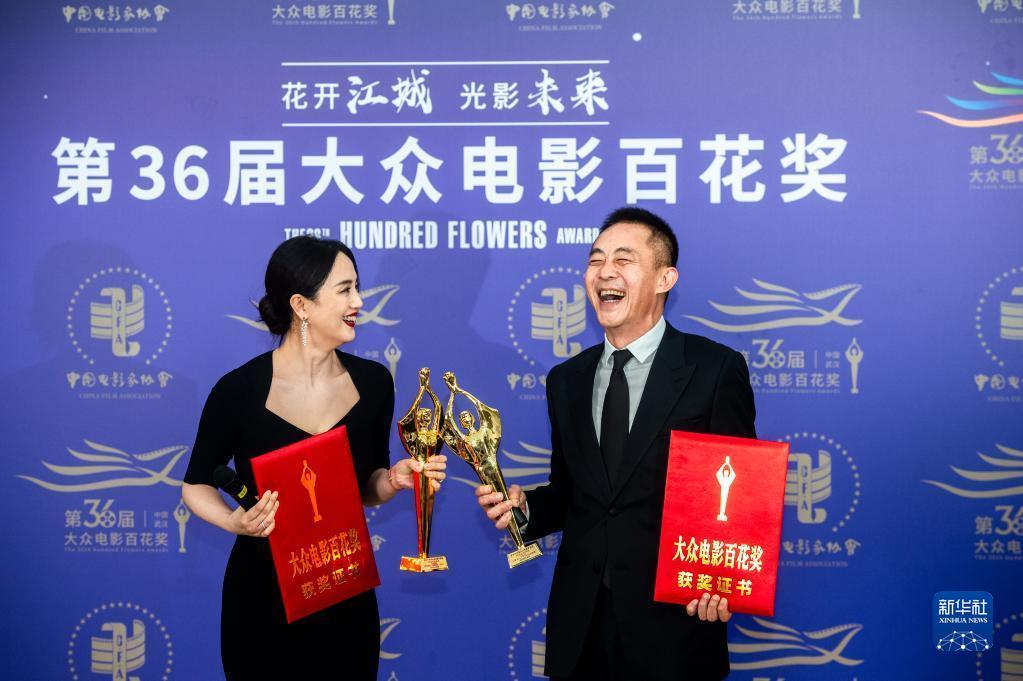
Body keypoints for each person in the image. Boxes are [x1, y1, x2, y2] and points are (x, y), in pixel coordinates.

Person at [476, 208, 756, 681]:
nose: (605, 271)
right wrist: (524, 509)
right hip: (581, 628)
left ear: (665, 278)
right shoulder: (567, 379)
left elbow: (739, 494)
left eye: (623, 260)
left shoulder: (714, 370)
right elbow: (573, 494)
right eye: (596, 260)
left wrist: (724, 583)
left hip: (674, 627)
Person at [181, 236, 446, 680]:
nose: (358, 302)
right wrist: (233, 521)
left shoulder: (373, 383)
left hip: (345, 592)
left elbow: (367, 486)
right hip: (261, 597)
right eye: (344, 290)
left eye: (357, 288)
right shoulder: (239, 390)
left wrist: (394, 480)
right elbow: (195, 485)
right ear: (301, 305)